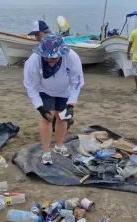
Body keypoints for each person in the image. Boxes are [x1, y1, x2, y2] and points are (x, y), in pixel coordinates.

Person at [23, 34, 84, 165]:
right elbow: (30, 84)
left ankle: (59, 145)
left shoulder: (72, 58)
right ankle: (46, 151)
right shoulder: (34, 60)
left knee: (63, 117)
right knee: (47, 117)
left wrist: (71, 104)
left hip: (64, 90)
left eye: (53, 57)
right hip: (44, 90)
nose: (49, 59)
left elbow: (77, 82)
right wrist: (39, 106)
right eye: (46, 57)